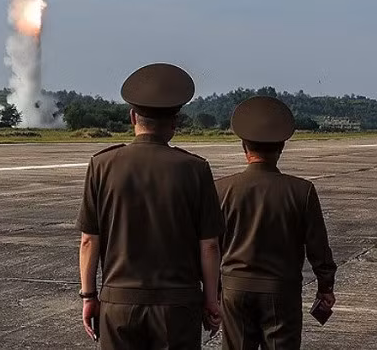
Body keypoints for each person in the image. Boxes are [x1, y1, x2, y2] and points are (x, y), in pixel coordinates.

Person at [77, 63, 224, 349]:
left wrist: (88, 296)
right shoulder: (195, 169)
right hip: (177, 307)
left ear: (133, 116)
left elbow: (88, 241)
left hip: (118, 303)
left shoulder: (102, 165)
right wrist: (210, 300)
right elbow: (209, 246)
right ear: (175, 122)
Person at [215, 96, 337, 349]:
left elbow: (211, 246)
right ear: (281, 147)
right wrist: (325, 285)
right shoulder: (301, 191)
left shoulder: (222, 189)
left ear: (244, 147)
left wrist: (213, 291)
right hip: (281, 291)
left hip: (234, 289)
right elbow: (318, 246)